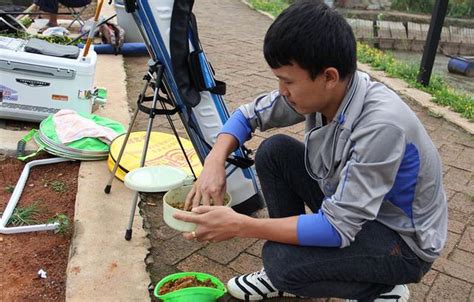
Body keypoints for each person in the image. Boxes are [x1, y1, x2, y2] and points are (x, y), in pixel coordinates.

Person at [173, 0, 447, 301]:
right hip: (353, 208)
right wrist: (215, 160)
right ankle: (298, 266)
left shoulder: (382, 126)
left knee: (281, 263)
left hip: (400, 242)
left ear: (328, 77)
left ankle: (383, 286)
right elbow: (247, 115)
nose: (281, 91)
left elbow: (336, 228)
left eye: (287, 80)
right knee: (274, 151)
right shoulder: (324, 93)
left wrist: (241, 225)